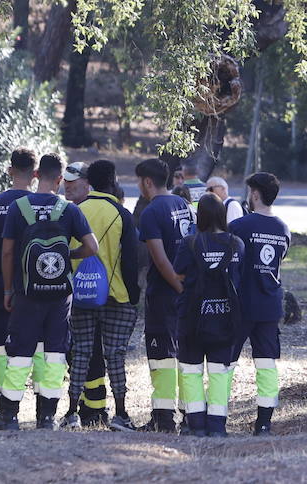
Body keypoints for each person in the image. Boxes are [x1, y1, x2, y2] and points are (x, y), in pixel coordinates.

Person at [0, 153, 98, 430]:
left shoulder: (19, 207)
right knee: (55, 353)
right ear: (61, 179)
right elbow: (92, 247)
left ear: (37, 174)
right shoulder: (69, 210)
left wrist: (7, 289)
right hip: (60, 294)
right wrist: (69, 255)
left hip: (26, 292)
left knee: (20, 352)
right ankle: (47, 416)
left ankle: (9, 415)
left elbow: (6, 253)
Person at [64, 159, 141, 432]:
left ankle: (71, 412)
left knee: (81, 352)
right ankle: (121, 414)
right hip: (115, 295)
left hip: (81, 294)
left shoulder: (75, 211)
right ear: (113, 180)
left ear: (90, 181)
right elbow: (131, 261)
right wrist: (133, 294)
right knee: (115, 355)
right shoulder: (121, 214)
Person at [172, 194, 244, 437]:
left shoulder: (189, 243)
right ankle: (217, 426)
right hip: (225, 318)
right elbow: (239, 279)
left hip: (192, 318)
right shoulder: (237, 244)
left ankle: (196, 426)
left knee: (191, 371)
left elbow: (178, 275)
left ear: (199, 216)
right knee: (219, 372)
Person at [136, 156, 195, 432]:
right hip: (186, 291)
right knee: (184, 352)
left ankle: (163, 417)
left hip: (164, 293)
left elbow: (159, 259)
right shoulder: (182, 204)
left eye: (139, 181)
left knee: (162, 354)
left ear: (147, 181)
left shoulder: (151, 212)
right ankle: (190, 413)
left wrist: (176, 286)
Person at [228, 172, 290, 435]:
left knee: (225, 363)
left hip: (241, 305)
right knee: (266, 364)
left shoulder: (240, 227)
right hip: (270, 305)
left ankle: (216, 417)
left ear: (254, 194)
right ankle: (264, 422)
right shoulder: (283, 228)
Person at [0, 146, 35, 418]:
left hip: (2, 279)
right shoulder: (42, 204)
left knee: (1, 342)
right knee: (37, 342)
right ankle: (41, 405)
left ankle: (1, 402)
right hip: (35, 282)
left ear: (9, 170)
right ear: (35, 174)